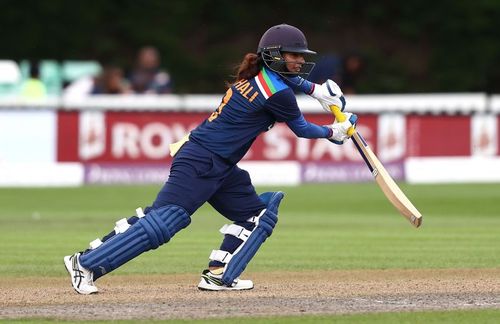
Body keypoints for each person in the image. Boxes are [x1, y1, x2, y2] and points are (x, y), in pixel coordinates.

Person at [63, 23, 358, 294]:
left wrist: (318, 91)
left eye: (301, 56)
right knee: (165, 221)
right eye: (293, 55)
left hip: (220, 165)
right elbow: (303, 129)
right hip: (202, 161)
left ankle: (219, 273)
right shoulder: (278, 94)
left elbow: (288, 83)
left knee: (257, 215)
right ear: (273, 55)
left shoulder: (259, 77)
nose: (299, 61)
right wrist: (334, 132)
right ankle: (86, 263)